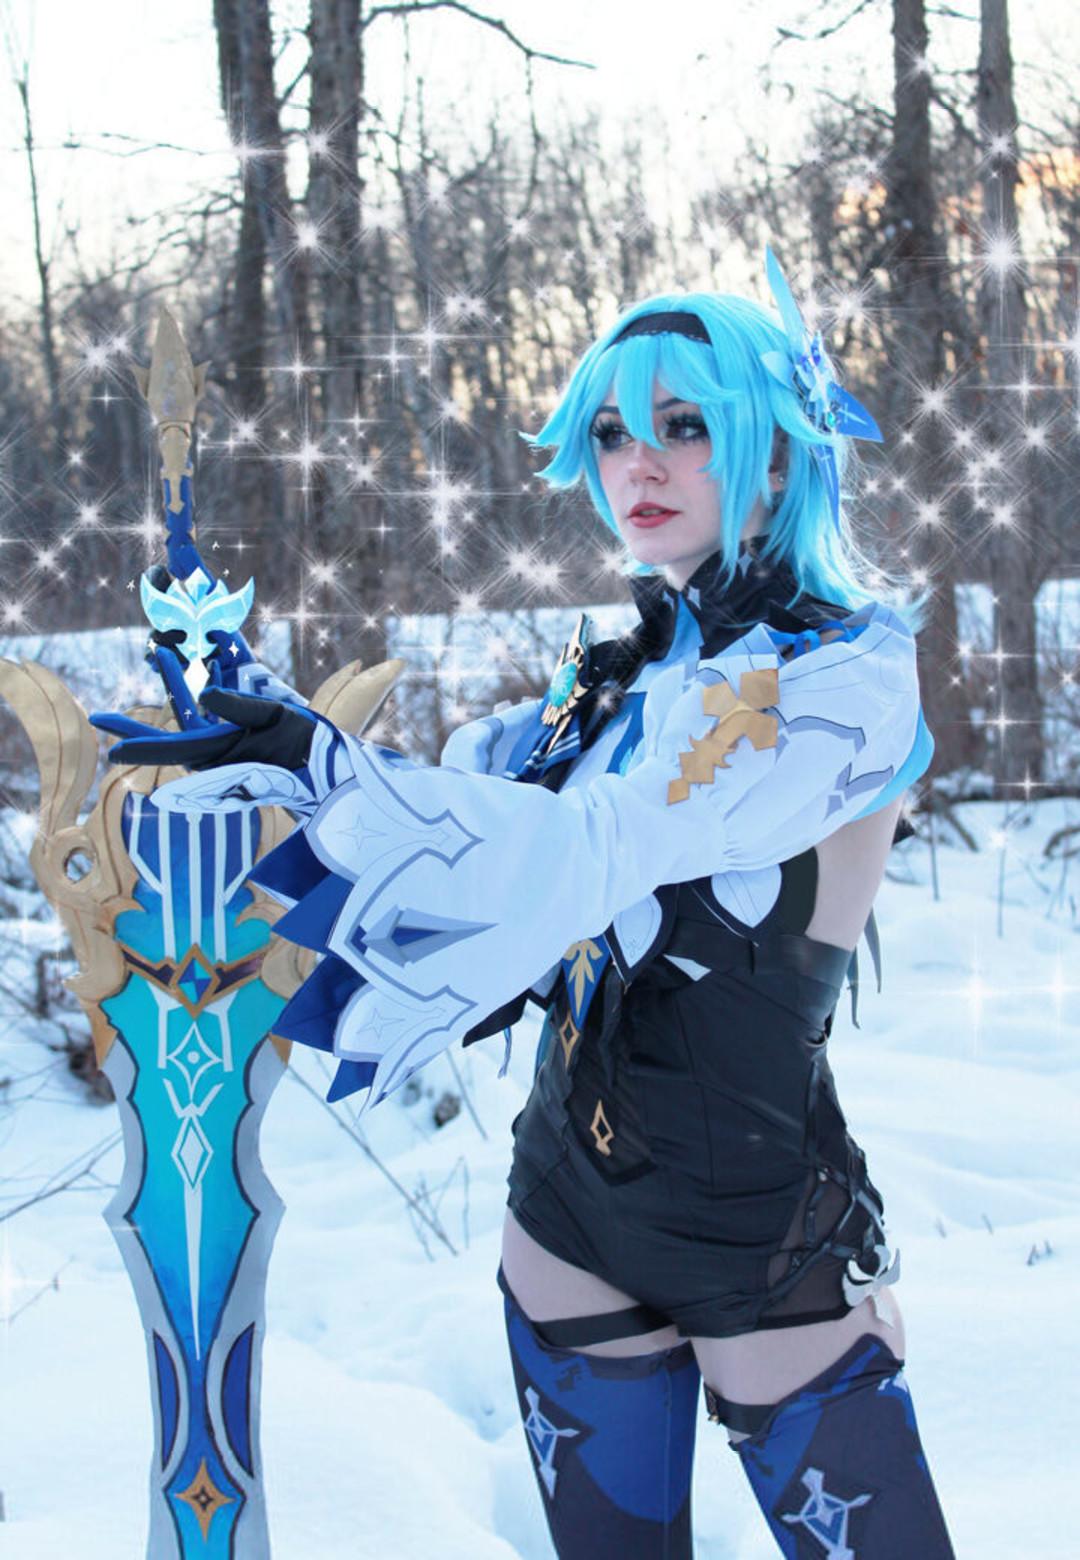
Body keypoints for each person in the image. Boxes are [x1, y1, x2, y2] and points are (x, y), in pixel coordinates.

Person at [94, 251, 955, 1558]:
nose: (638, 464)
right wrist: (282, 736)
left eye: (684, 425)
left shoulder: (845, 681)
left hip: (763, 1249)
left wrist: (337, 776)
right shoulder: (609, 681)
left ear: (777, 454)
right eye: (611, 433)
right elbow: (463, 828)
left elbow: (607, 842)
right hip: (564, 1225)